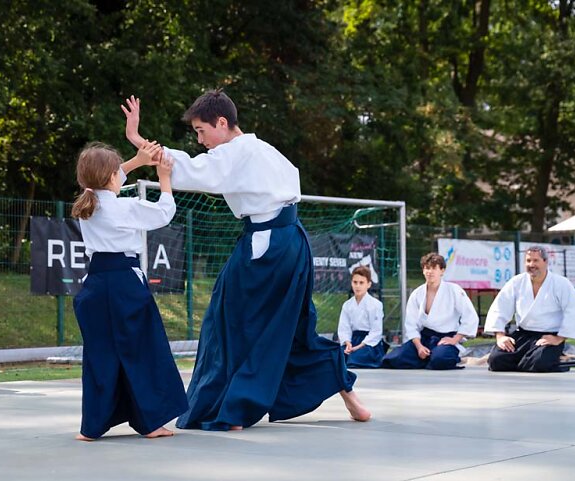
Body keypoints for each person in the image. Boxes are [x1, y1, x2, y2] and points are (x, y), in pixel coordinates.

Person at [122, 90, 370, 432]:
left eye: (201, 131)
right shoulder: (264, 149)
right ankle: (348, 394)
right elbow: (197, 165)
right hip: (293, 243)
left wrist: (137, 139)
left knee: (228, 320)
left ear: (222, 123)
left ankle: (235, 408)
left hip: (267, 245)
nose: (200, 140)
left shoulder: (235, 153)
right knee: (293, 325)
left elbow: (187, 168)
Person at [71, 141, 188, 441]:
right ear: (112, 176)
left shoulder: (87, 206)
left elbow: (105, 180)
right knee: (143, 350)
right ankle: (151, 422)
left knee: (100, 354)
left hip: (95, 285)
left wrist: (137, 160)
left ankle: (91, 427)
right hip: (125, 283)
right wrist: (164, 177)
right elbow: (164, 213)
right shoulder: (124, 206)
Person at [484, 246, 575, 372]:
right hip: (522, 335)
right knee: (496, 360)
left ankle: (556, 359)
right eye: (528, 261)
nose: (531, 264)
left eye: (535, 260)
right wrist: (500, 337)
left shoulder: (561, 283)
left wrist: (558, 339)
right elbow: (499, 308)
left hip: (548, 337)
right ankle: (528, 361)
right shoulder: (516, 282)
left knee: (537, 362)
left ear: (545, 262)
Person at [382, 252, 478, 370]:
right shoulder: (417, 294)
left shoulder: (454, 290)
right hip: (424, 338)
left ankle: (438, 357)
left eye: (434, 268)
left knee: (440, 359)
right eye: (427, 268)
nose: (430, 272)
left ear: (442, 271)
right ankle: (427, 358)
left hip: (445, 339)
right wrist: (419, 347)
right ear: (423, 270)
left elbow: (470, 317)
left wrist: (455, 339)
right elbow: (411, 324)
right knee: (392, 359)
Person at [337, 266, 388, 368]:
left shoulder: (376, 305)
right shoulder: (347, 305)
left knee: (354, 359)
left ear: (368, 284)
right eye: (355, 282)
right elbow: (344, 328)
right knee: (336, 358)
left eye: (361, 283)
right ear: (351, 283)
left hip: (369, 344)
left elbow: (376, 332)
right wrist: (347, 343)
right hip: (352, 341)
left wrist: (359, 347)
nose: (357, 286)